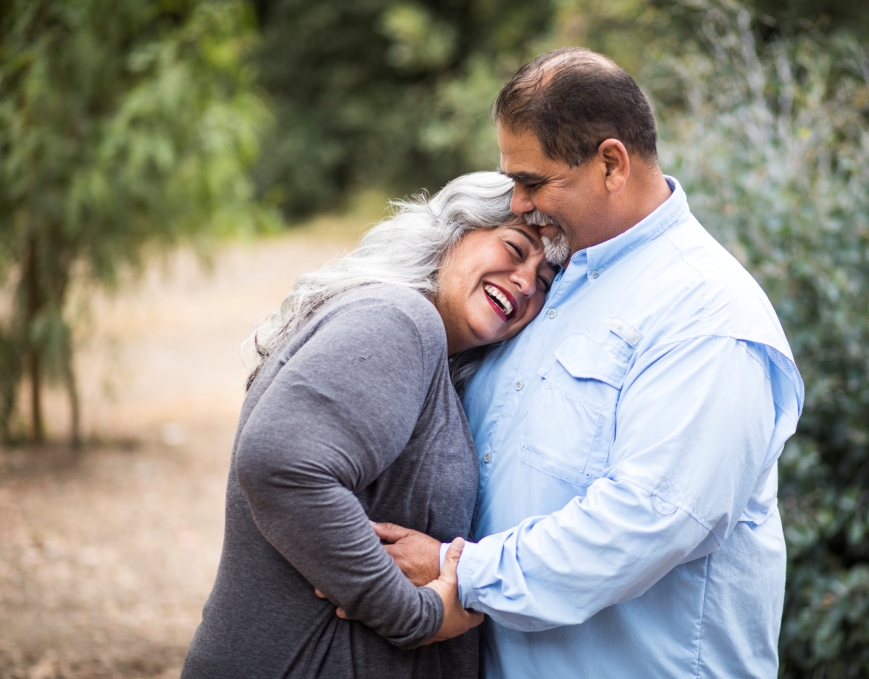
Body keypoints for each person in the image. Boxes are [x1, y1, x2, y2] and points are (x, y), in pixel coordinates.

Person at [365, 48, 806, 678]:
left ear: (611, 164)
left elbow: (650, 518)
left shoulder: (707, 314)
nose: (518, 203)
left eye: (533, 181)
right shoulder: (547, 281)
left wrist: (457, 571)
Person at [181, 171, 558, 679]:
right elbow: (281, 464)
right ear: (453, 232)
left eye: (545, 281)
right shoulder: (400, 319)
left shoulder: (426, 348)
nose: (526, 282)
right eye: (515, 248)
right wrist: (418, 616)